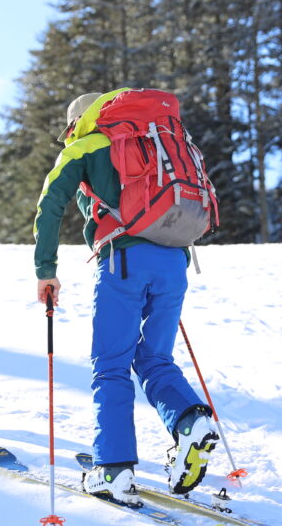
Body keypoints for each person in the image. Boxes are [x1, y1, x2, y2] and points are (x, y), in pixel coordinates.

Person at [32, 90, 219, 503]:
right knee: (154, 359)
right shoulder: (156, 136)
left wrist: (46, 269)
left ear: (79, 121)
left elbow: (50, 203)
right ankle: (191, 419)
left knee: (111, 365)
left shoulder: (89, 143)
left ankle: (113, 469)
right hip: (175, 260)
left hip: (124, 260)